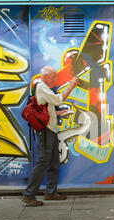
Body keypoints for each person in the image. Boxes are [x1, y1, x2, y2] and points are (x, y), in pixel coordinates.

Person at [21, 65, 78, 207]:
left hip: (50, 129)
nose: (55, 79)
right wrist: (71, 86)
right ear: (45, 76)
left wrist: (59, 114)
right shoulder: (41, 87)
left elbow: (46, 107)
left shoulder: (42, 88)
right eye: (53, 76)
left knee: (53, 161)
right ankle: (29, 195)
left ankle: (50, 192)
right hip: (45, 130)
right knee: (43, 161)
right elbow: (58, 100)